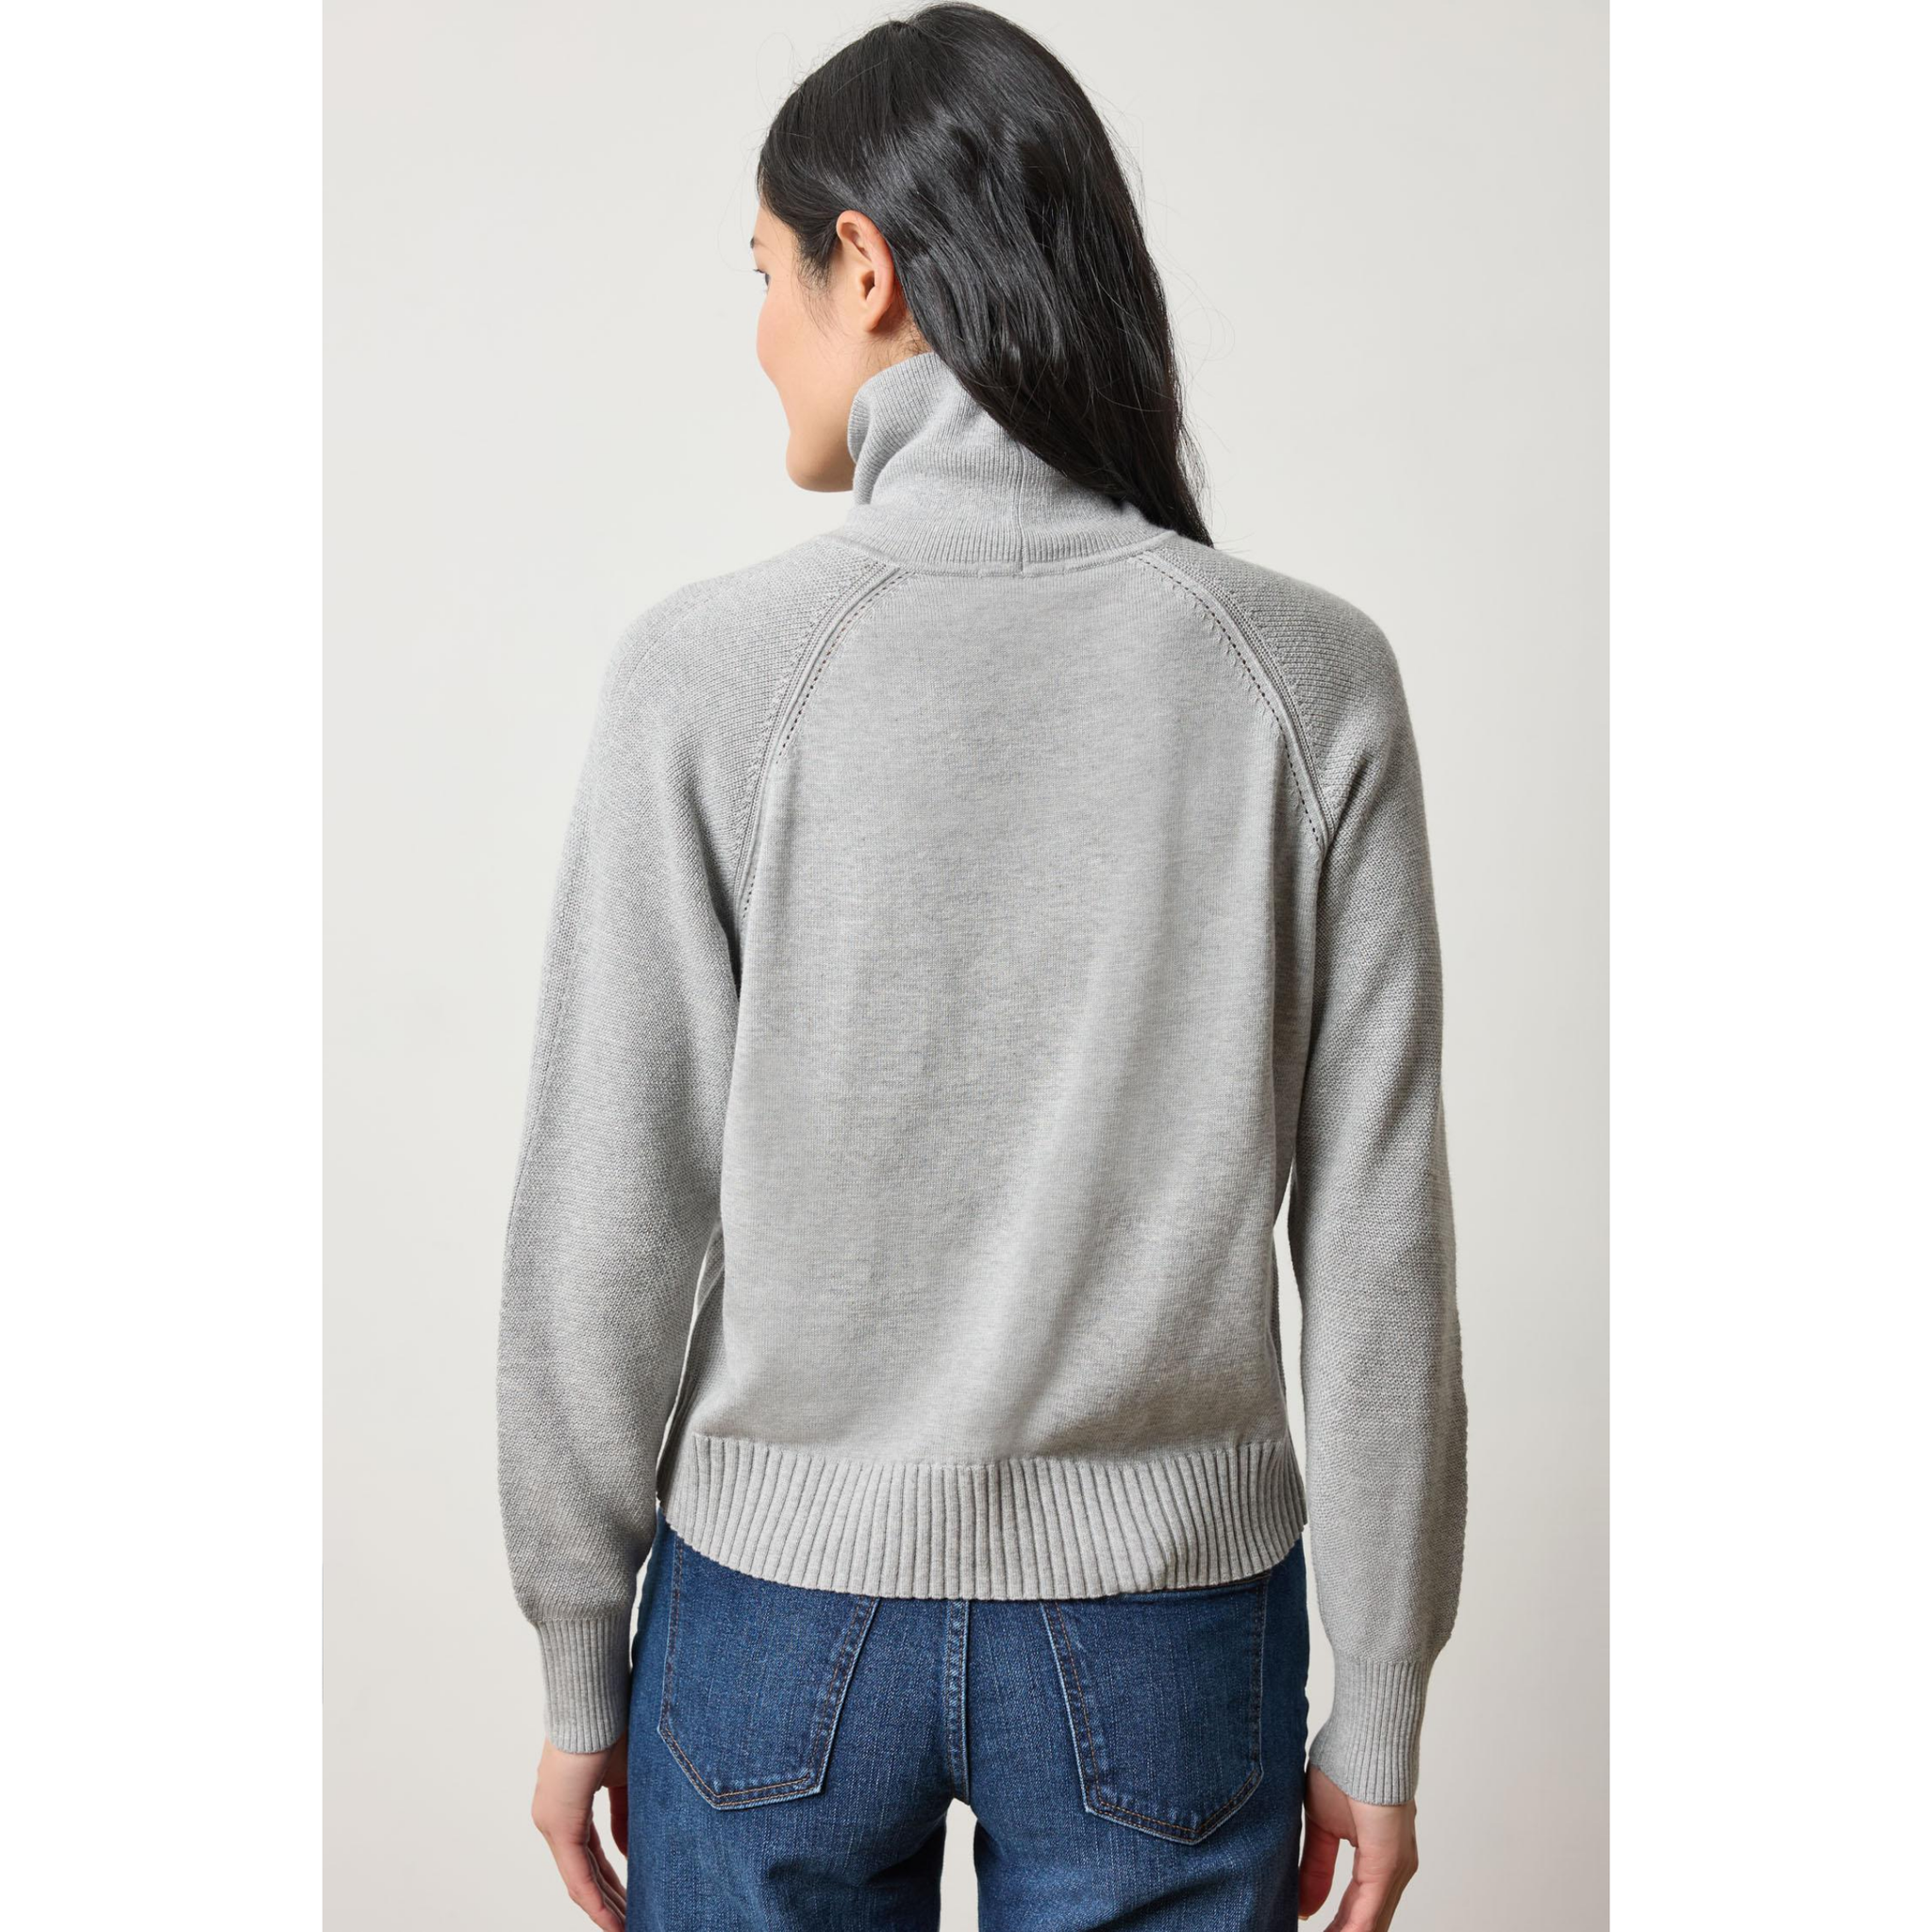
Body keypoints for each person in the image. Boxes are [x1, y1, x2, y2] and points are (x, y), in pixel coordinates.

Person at [495, 7, 1467, 1929]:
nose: (757, 331)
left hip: (772, 1616)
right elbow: (1376, 1241)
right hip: (1167, 1628)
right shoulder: (1304, 676)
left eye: (764, 273)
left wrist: (575, 1641)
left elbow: (607, 1202)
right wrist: (1380, 1697)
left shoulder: (708, 674)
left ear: (863, 265)